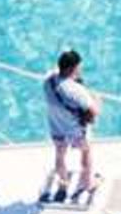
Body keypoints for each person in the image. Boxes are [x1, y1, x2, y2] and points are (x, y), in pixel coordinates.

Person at [41, 50, 99, 203]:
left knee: (60, 156)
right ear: (72, 68)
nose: (80, 70)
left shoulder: (48, 81)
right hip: (76, 132)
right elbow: (93, 114)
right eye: (78, 67)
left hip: (57, 129)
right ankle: (88, 183)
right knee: (86, 153)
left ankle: (63, 184)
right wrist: (96, 99)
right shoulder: (76, 91)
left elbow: (54, 73)